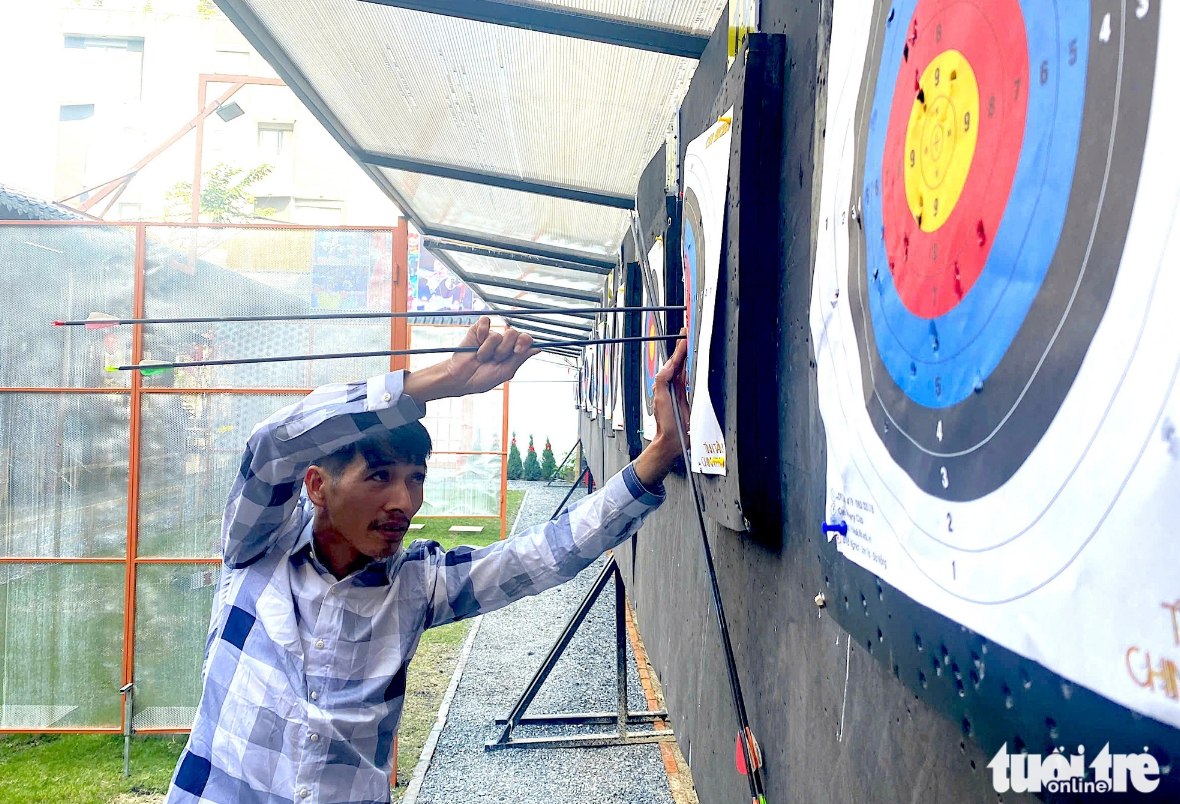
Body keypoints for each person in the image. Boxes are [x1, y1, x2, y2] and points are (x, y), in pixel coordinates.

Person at [164, 317, 690, 804]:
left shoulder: (417, 584)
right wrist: (438, 382)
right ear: (317, 485)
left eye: (416, 478)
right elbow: (274, 445)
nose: (405, 502)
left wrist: (663, 450)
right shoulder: (257, 547)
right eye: (380, 477)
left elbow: (543, 553)